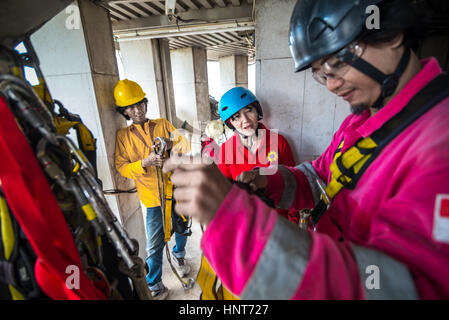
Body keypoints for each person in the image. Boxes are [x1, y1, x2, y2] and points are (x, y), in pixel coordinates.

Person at [163, 0, 449, 299]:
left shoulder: (438, 144)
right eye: (319, 73)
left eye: (336, 63)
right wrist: (267, 181)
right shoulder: (362, 120)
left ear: (391, 34)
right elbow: (320, 177)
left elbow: (394, 289)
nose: (331, 84)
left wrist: (235, 222)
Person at [113, 79, 191, 300]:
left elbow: (184, 144)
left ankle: (180, 254)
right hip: (153, 198)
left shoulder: (162, 124)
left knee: (183, 226)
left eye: (140, 104)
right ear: (124, 111)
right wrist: (144, 163)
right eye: (131, 107)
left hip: (176, 188)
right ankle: (155, 283)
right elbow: (121, 167)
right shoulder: (124, 137)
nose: (137, 110)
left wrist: (170, 142)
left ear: (145, 103)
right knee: (155, 243)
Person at [217, 86, 299, 223]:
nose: (245, 120)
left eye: (249, 110)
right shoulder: (226, 150)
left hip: (279, 223)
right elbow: (223, 193)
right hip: (244, 225)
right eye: (236, 117)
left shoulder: (279, 142)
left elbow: (294, 183)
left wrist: (294, 223)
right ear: (230, 124)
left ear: (257, 110)